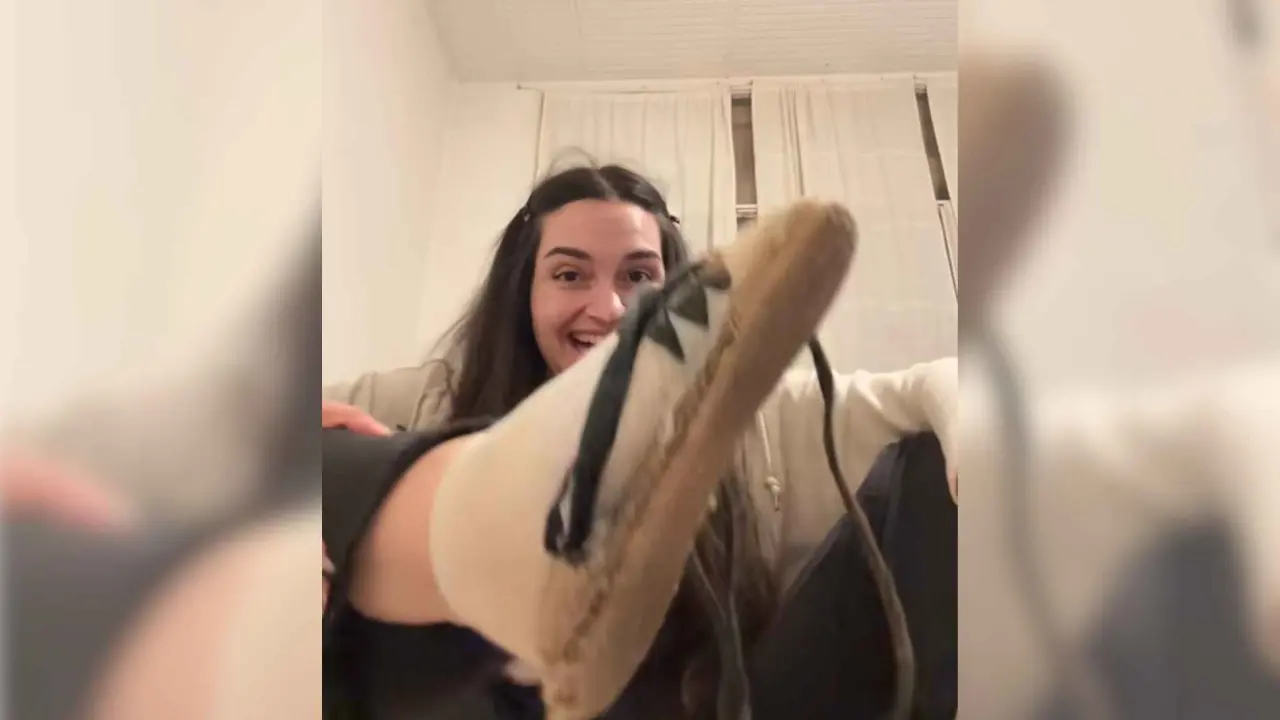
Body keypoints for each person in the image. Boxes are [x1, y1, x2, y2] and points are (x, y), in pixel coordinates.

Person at [321, 163, 959, 719]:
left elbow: (932, 384)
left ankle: (523, 537)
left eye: (639, 277)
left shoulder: (752, 410)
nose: (610, 308)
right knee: (318, 462)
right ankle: (499, 533)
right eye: (570, 275)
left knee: (936, 469)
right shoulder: (430, 398)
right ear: (524, 294)